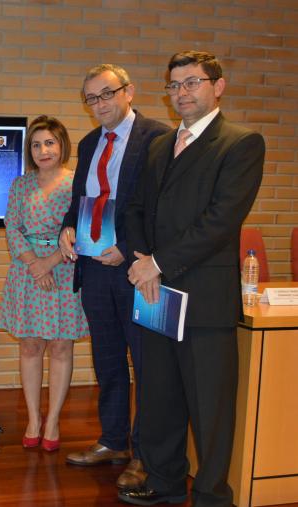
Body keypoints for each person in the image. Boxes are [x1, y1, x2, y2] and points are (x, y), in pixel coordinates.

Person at [121, 51, 264, 506]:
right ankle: (164, 485)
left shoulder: (240, 143)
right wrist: (144, 262)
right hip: (155, 293)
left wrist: (156, 263)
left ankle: (210, 497)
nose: (181, 92)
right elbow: (137, 208)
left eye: (191, 82)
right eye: (174, 85)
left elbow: (220, 221)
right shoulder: (161, 144)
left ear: (217, 87)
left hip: (203, 299)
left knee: (209, 410)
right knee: (160, 400)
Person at [58, 64, 170, 490]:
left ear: (129, 92)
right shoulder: (88, 143)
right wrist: (68, 228)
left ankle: (144, 455)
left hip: (138, 269)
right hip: (93, 269)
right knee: (107, 362)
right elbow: (82, 200)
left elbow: (159, 206)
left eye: (107, 94)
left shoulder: (157, 137)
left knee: (146, 365)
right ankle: (112, 441)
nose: (100, 104)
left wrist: (127, 245)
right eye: (92, 98)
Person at [0, 115, 89, 453]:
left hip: (66, 271)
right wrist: (35, 265)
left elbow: (84, 229)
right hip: (27, 273)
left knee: (62, 347)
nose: (43, 150)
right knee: (30, 346)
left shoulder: (76, 183)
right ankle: (34, 419)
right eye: (36, 144)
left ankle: (53, 420)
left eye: (49, 142)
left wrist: (50, 262)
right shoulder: (21, 184)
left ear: (62, 145)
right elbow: (12, 227)